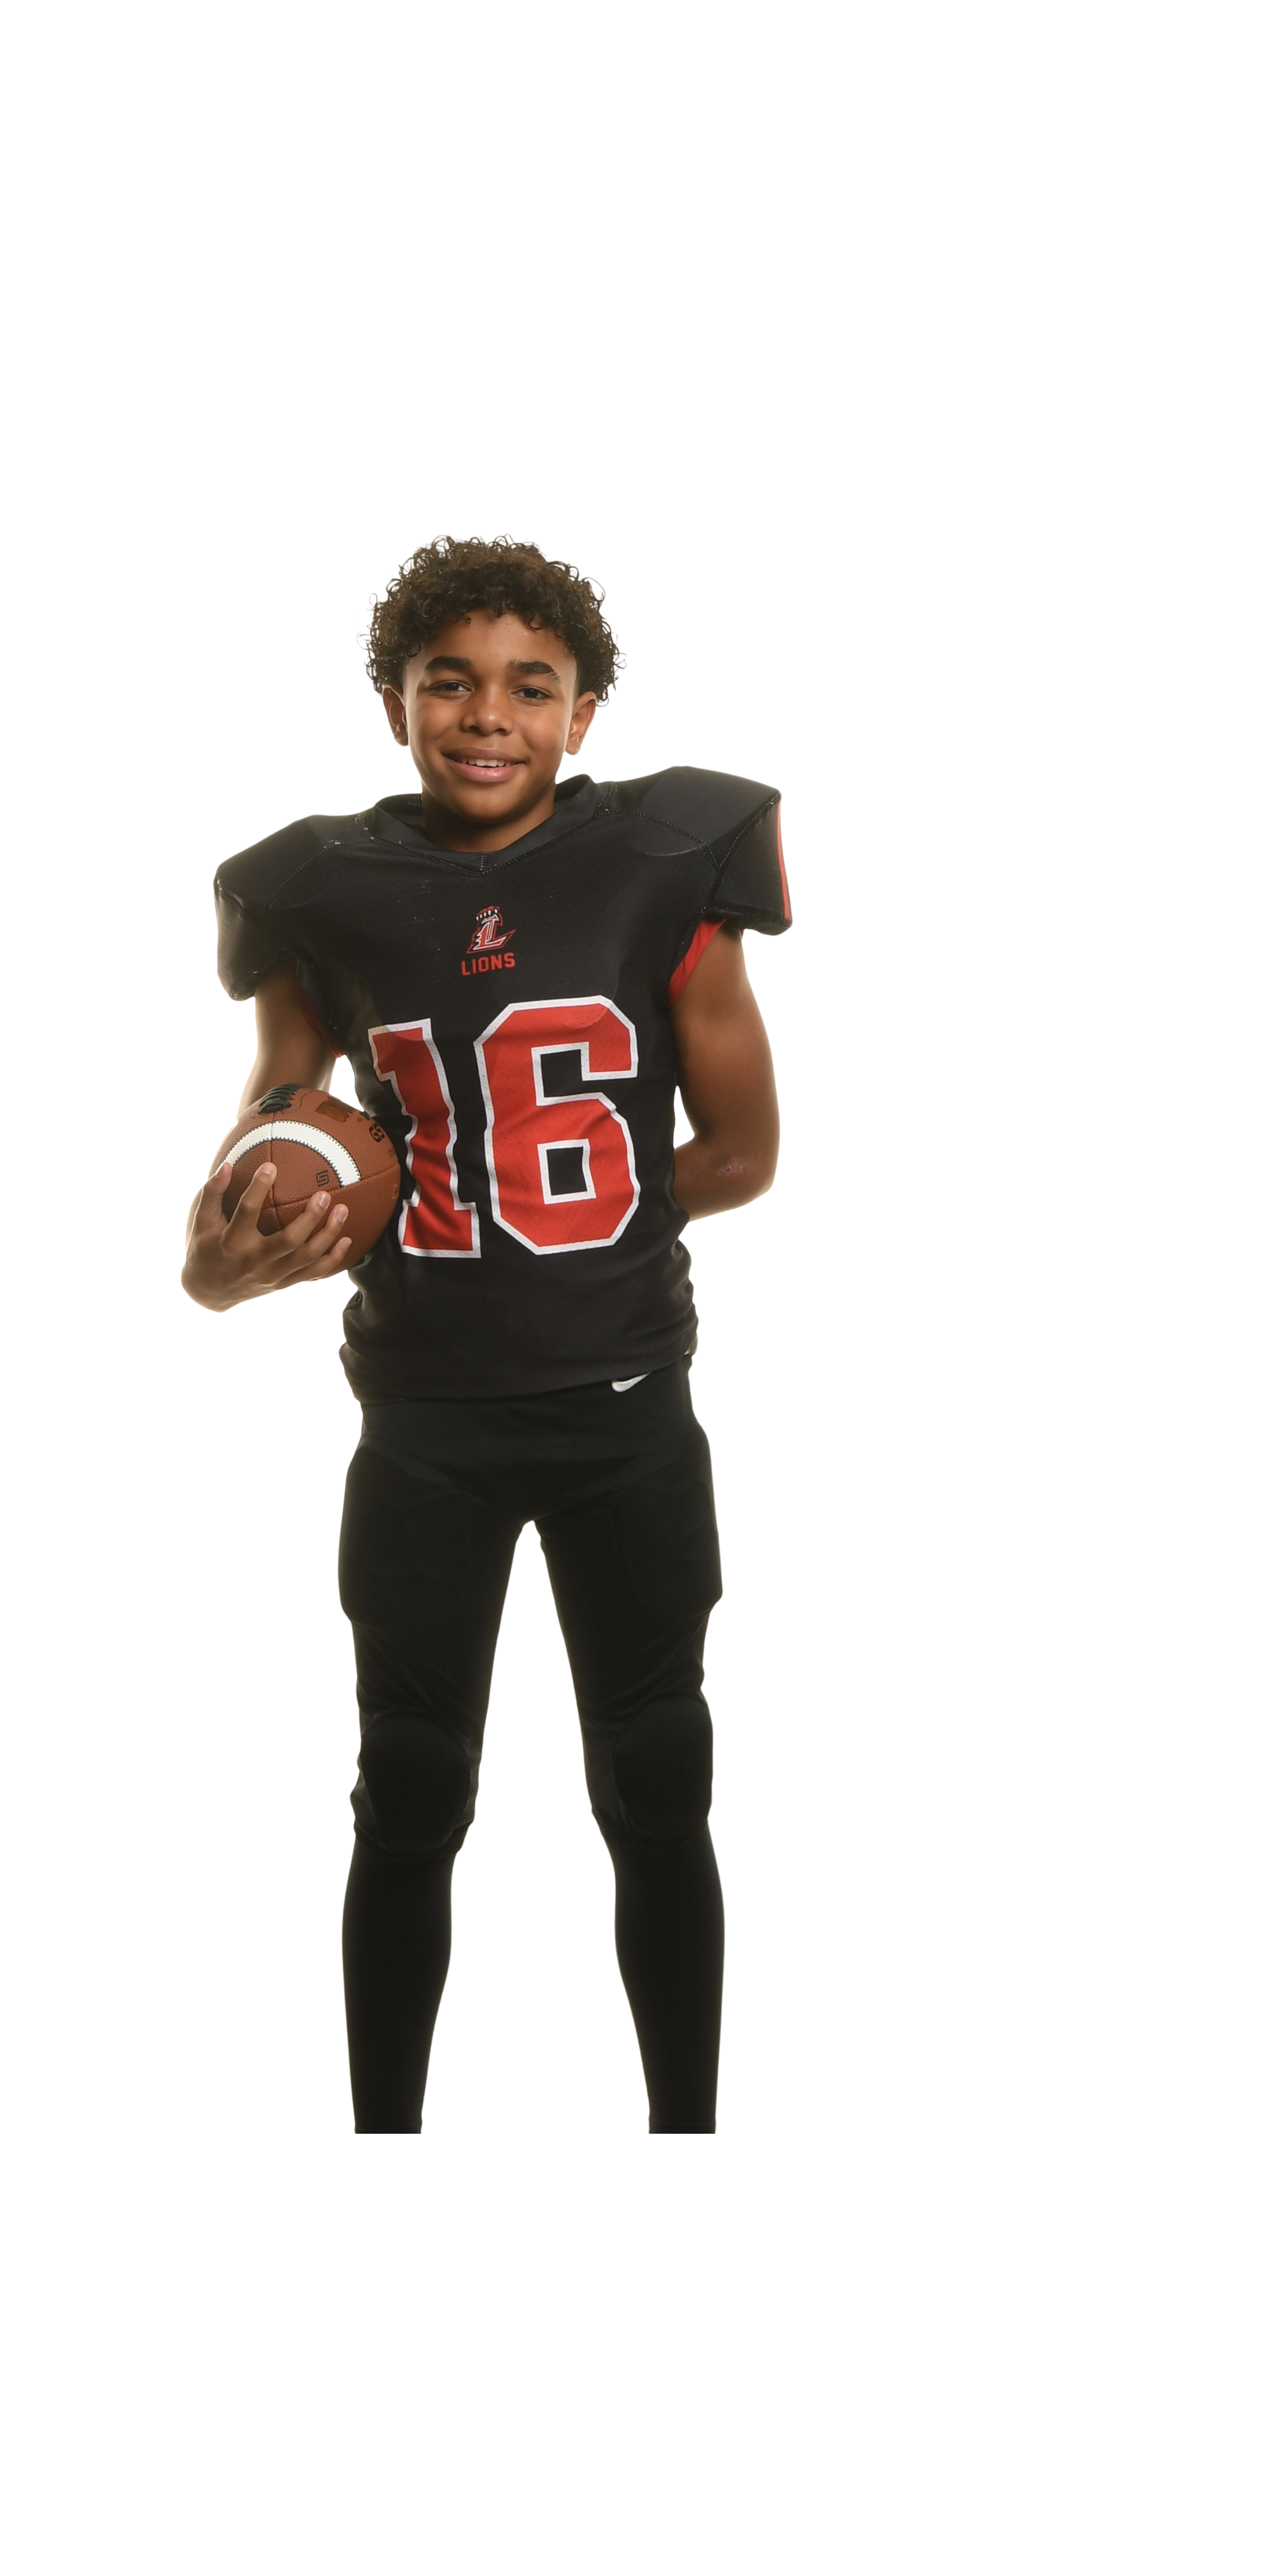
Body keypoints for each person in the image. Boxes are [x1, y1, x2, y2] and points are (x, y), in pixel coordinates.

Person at [180, 531, 790, 2132]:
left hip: (625, 1409)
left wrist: (548, 1216)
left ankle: (689, 2143)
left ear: (584, 716)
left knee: (659, 1783)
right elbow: (280, 1128)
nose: (488, 715)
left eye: (532, 686)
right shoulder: (318, 890)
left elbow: (741, 1153)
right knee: (409, 1789)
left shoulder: (667, 857)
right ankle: (383, 2146)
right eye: (449, 681)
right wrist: (227, 1259)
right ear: (392, 701)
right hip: (425, 1426)